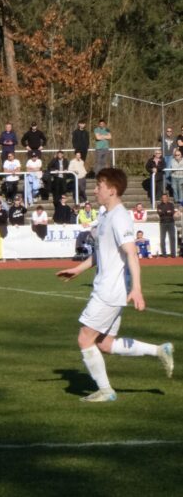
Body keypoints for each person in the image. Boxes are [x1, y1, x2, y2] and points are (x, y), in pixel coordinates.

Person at [56, 168, 174, 402]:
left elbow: (131, 254)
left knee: (84, 339)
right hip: (107, 287)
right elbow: (102, 252)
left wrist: (137, 289)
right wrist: (78, 270)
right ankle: (160, 350)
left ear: (111, 190)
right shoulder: (105, 215)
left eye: (99, 186)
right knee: (106, 344)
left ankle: (106, 391)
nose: (95, 189)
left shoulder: (119, 217)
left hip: (110, 290)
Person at [157, 193, 179, 257]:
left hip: (171, 222)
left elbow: (172, 212)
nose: (164, 199)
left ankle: (173, 253)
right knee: (162, 238)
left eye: (165, 198)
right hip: (163, 223)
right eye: (163, 198)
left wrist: (164, 212)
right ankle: (164, 254)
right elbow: (159, 213)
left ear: (167, 198)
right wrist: (166, 211)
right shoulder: (159, 205)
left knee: (172, 237)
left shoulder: (171, 204)